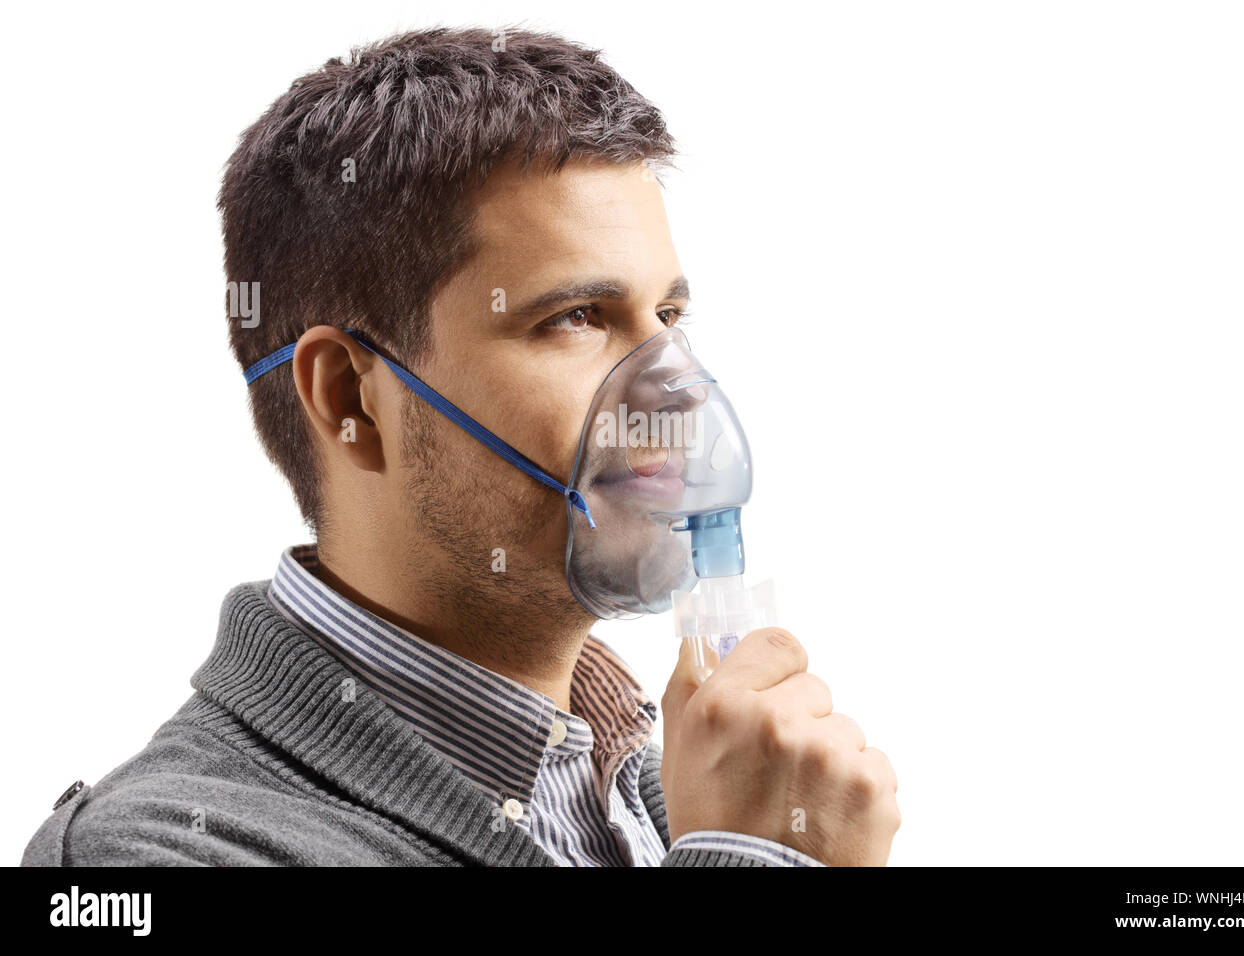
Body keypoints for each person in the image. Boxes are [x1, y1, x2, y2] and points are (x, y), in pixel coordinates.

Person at [22, 26, 899, 867]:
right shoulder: (149, 853)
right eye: (576, 318)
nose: (679, 388)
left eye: (668, 317)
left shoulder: (675, 799)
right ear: (350, 400)